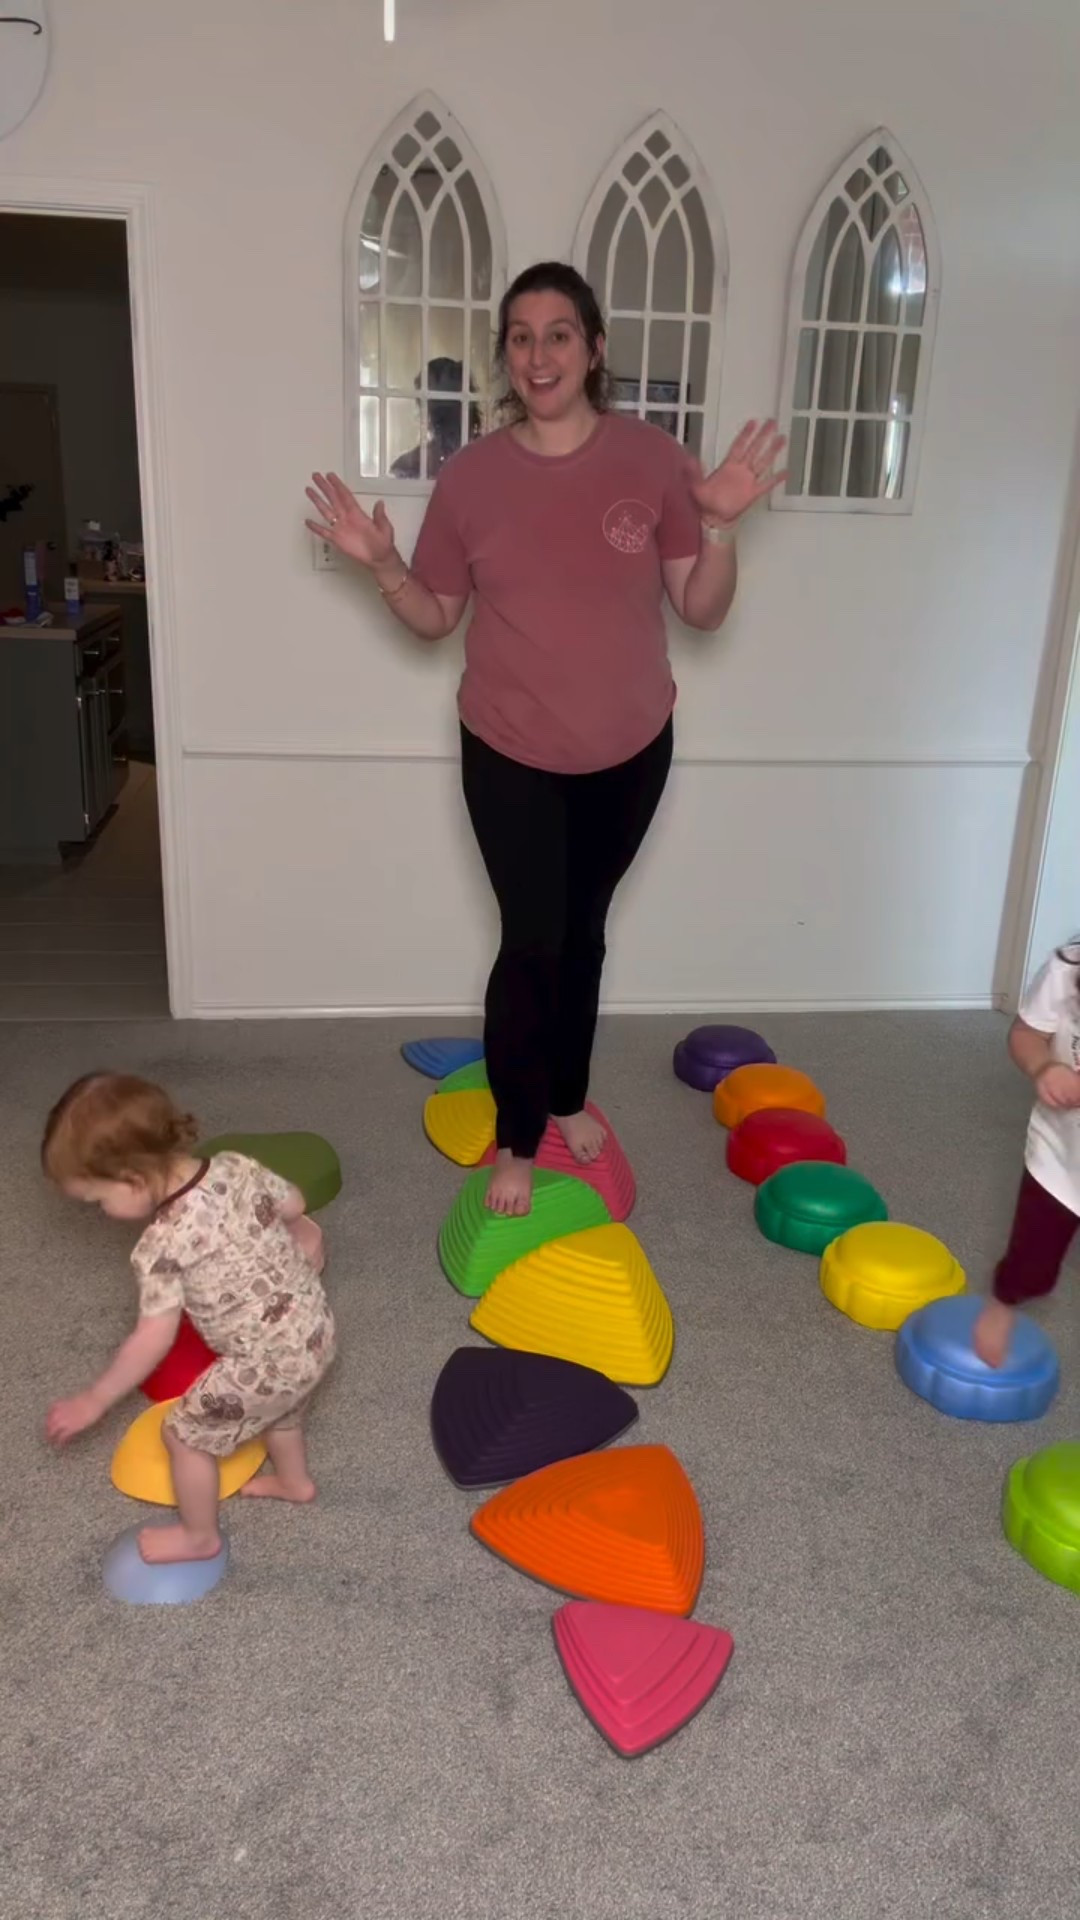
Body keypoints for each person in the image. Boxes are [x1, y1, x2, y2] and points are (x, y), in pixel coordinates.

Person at [307, 260, 786, 1217]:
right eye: (521, 337)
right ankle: (520, 1134)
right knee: (531, 941)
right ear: (506, 356)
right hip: (509, 748)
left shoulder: (654, 462)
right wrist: (385, 566)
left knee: (585, 934)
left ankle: (568, 1092)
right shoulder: (472, 477)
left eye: (558, 334)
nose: (539, 355)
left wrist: (722, 527)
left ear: (593, 348)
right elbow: (439, 616)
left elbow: (702, 611)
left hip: (631, 749)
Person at [42, 1073, 336, 1564]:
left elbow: (152, 1339)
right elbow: (296, 1203)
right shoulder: (236, 1166)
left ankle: (199, 1537)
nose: (103, 1212)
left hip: (265, 1358)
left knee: (182, 1435)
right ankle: (294, 1482)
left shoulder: (159, 1246)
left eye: (98, 1201)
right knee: (283, 1405)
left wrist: (95, 1399)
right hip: (315, 1327)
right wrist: (294, 1234)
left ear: (133, 1180)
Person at [974, 941, 1080, 1366]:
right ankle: (1002, 1304)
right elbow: (1026, 1033)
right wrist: (1044, 1068)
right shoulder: (1069, 966)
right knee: (1033, 1254)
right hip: (1061, 1157)